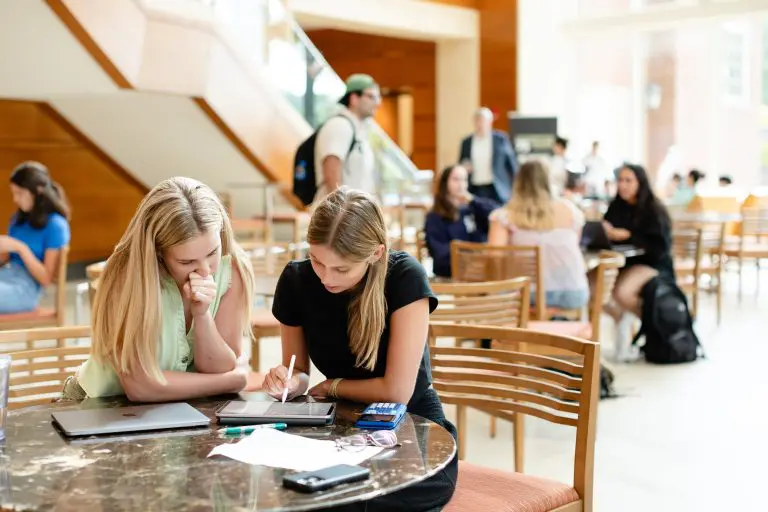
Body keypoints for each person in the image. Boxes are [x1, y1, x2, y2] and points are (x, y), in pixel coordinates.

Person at [263, 187, 457, 512]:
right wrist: (287, 381)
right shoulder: (297, 280)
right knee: (299, 489)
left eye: (342, 269)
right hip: (338, 424)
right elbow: (297, 371)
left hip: (411, 423)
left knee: (361, 497)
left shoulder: (404, 277)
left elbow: (397, 392)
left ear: (376, 253)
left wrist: (332, 386)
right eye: (317, 261)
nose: (326, 277)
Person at [63, 177, 256, 401]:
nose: (205, 271)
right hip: (99, 406)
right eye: (187, 262)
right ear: (158, 253)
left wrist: (202, 315)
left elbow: (220, 367)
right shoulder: (127, 276)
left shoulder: (232, 268)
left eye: (212, 252)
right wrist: (232, 381)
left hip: (181, 408)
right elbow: (140, 387)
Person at [488, 160, 589, 310]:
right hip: (573, 292)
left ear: (518, 182)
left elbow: (493, 257)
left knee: (494, 294)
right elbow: (575, 245)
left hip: (525, 293)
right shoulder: (570, 211)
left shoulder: (505, 217)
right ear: (549, 181)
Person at [603, 164, 674, 322]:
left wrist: (629, 236)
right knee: (592, 288)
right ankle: (622, 320)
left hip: (652, 264)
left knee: (622, 292)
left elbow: (660, 248)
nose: (623, 185)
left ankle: (658, 324)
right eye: (620, 180)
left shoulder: (654, 210)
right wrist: (604, 231)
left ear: (640, 183)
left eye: (628, 181)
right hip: (623, 263)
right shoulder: (616, 206)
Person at [0, 161, 70, 314]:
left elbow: (45, 278)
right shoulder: (18, 220)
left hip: (25, 290)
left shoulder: (56, 225)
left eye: (19, 193)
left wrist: (20, 248)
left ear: (37, 191)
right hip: (5, 277)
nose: (15, 199)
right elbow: (5, 259)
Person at [313, 74, 381, 202]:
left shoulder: (358, 130)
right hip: (339, 217)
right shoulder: (340, 125)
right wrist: (341, 216)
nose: (377, 103)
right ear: (354, 98)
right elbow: (331, 172)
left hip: (352, 216)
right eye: (371, 97)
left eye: (378, 97)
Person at [424, 164, 497, 277]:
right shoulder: (435, 216)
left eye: (464, 179)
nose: (461, 184)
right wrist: (470, 257)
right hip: (449, 274)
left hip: (479, 271)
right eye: (455, 179)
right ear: (445, 183)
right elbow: (439, 253)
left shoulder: (471, 209)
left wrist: (472, 200)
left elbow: (495, 214)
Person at [458, 107, 518, 204]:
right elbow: (460, 164)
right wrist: (464, 167)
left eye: (482, 120)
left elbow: (512, 165)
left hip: (497, 188)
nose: (480, 124)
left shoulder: (501, 139)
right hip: (475, 188)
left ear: (490, 122)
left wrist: (515, 188)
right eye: (477, 120)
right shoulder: (466, 142)